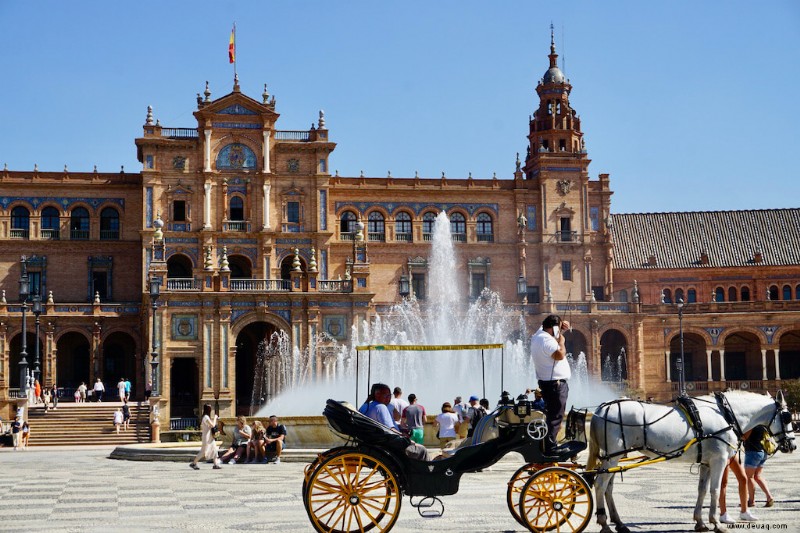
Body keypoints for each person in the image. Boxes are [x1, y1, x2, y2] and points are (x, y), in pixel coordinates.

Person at [530, 314, 571, 453]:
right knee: (555, 417)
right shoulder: (547, 341)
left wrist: (560, 327)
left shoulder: (538, 335)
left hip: (548, 383)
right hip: (556, 384)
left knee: (552, 415)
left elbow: (551, 330)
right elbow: (559, 355)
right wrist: (562, 342)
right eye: (558, 328)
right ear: (553, 328)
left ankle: (547, 444)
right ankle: (550, 448)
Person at [719, 454, 758, 524]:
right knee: (723, 482)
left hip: (732, 449)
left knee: (743, 478)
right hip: (723, 449)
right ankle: (723, 513)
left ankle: (744, 511)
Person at [743, 425, 774, 508]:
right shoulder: (763, 425)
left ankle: (751, 501)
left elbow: (744, 437)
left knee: (749, 477)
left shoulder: (752, 425)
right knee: (758, 476)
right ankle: (769, 496)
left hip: (753, 452)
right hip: (763, 452)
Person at [190, 404, 222, 470]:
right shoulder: (206, 417)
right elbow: (212, 425)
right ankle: (194, 463)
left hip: (210, 436)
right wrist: (215, 418)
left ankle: (215, 464)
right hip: (206, 437)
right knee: (203, 451)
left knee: (214, 450)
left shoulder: (207, 417)